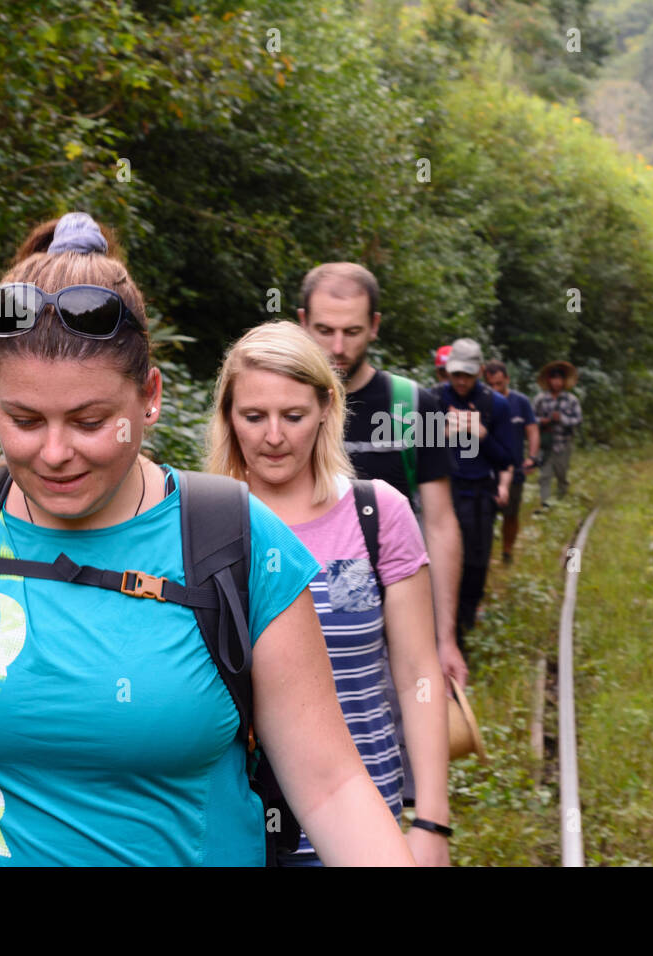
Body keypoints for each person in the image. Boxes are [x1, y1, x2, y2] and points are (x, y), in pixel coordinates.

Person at [0, 213, 414, 867]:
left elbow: (332, 787)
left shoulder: (236, 543)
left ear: (150, 396)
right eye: (23, 419)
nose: (55, 453)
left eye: (89, 421)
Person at [207, 321, 450, 866]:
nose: (275, 436)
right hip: (233, 828)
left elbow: (418, 674)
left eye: (293, 416)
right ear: (228, 417)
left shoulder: (376, 513)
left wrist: (432, 819)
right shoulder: (198, 526)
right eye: (254, 416)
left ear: (325, 409)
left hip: (358, 820)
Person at [297, 263, 465, 688]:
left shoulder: (413, 406)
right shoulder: (278, 406)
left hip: (392, 611)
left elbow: (440, 523)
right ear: (302, 322)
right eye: (324, 330)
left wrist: (444, 637)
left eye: (351, 332)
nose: (337, 347)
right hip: (291, 605)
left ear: (374, 326)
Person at [433, 338, 516, 647]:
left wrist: (480, 434)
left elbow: (508, 457)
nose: (462, 381)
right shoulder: (434, 399)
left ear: (480, 371)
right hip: (442, 491)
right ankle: (442, 627)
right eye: (456, 374)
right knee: (439, 558)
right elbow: (412, 448)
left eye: (468, 374)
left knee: (475, 562)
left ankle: (466, 624)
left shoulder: (497, 405)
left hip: (479, 494)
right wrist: (443, 431)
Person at [483, 360, 539, 564]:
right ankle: (483, 555)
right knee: (484, 515)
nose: (496, 389)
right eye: (492, 385)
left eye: (500, 383)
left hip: (514, 467)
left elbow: (532, 430)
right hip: (488, 469)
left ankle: (507, 551)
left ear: (507, 379)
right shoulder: (482, 402)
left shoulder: (520, 402)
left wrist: (532, 456)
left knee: (511, 513)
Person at [533, 360, 583, 508]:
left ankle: (562, 498)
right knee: (545, 474)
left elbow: (578, 420)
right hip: (546, 442)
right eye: (553, 379)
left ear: (563, 380)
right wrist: (543, 421)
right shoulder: (540, 399)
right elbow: (530, 419)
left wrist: (562, 419)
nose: (556, 382)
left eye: (559, 379)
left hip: (564, 442)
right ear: (549, 380)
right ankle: (545, 503)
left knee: (561, 473)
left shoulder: (571, 400)